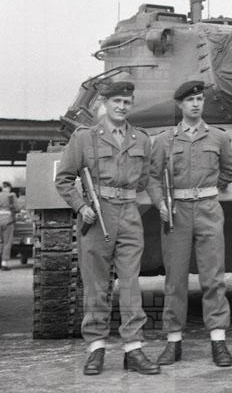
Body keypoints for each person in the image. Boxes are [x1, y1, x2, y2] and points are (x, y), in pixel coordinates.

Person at [55, 81, 160, 376]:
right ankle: (96, 348)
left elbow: (145, 179)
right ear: (104, 103)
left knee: (130, 283)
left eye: (127, 102)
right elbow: (63, 179)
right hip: (96, 215)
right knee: (96, 285)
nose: (122, 107)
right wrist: (81, 206)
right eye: (117, 101)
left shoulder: (141, 139)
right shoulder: (84, 137)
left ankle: (133, 349)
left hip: (129, 215)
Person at [149, 80, 232, 368]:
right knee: (175, 279)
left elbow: (230, 171)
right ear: (180, 104)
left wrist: (209, 189)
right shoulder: (164, 140)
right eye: (190, 100)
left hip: (208, 210)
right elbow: (153, 177)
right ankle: (173, 341)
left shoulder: (218, 138)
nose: (196, 104)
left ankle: (218, 340)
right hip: (176, 212)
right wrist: (160, 203)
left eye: (200, 99)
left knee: (213, 277)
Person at [0, 181, 18, 270]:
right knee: (7, 242)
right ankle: (4, 263)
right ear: (9, 188)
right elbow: (17, 208)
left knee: (1, 242)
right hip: (8, 221)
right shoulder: (11, 195)